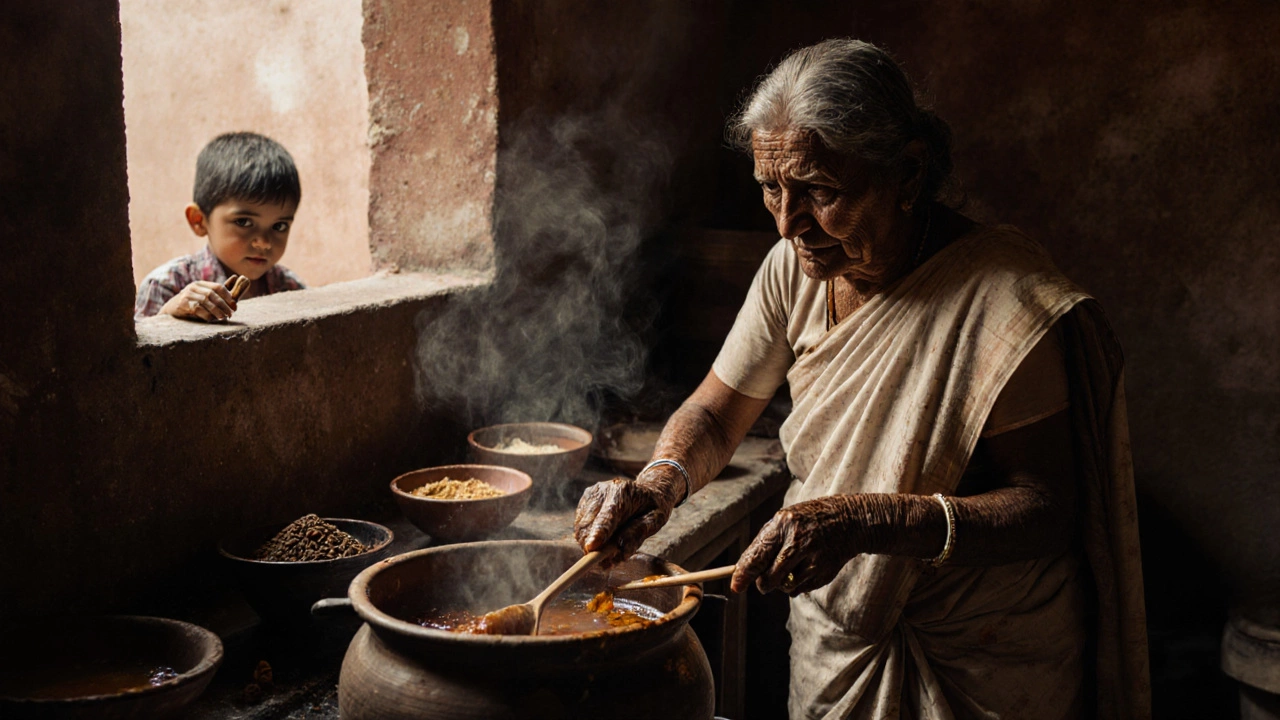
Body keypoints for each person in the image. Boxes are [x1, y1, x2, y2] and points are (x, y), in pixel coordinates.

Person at [574, 38, 1149, 719]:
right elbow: (717, 414)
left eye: (821, 192)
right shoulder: (794, 268)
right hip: (841, 649)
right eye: (770, 188)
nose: (790, 224)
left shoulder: (1004, 300)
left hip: (985, 660)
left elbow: (1049, 510)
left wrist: (874, 521)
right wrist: (658, 482)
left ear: (907, 174)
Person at [134, 132, 305, 321]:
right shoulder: (166, 286)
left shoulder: (290, 288)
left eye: (279, 226)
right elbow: (144, 346)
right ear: (199, 220)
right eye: (243, 222)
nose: (263, 243)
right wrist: (168, 315)